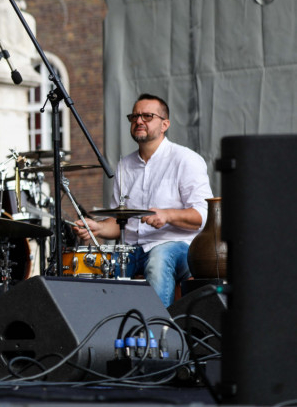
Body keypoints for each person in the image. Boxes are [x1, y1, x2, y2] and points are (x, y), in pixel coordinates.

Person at [72, 93, 212, 307]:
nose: (139, 121)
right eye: (134, 116)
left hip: (177, 247)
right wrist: (97, 228)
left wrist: (168, 215)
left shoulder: (186, 159)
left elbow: (203, 216)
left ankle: (157, 328)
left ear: (165, 124)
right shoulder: (125, 166)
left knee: (158, 260)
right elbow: (120, 222)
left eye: (147, 116)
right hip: (133, 249)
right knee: (99, 265)